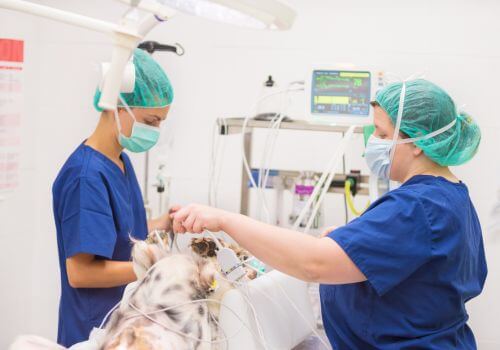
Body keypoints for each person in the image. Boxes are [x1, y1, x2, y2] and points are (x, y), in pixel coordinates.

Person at [171, 79, 487, 349]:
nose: (371, 142)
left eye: (379, 132)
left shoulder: (419, 206)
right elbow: (411, 266)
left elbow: (314, 263)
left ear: (416, 142)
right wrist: (348, 243)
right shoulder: (449, 195)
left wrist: (226, 220)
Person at [52, 49, 174, 347]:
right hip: (93, 330)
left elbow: (119, 232)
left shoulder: (119, 159)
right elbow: (80, 273)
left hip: (123, 322)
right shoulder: (86, 176)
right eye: (151, 120)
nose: (155, 130)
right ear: (118, 107)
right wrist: (157, 267)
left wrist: (164, 223)